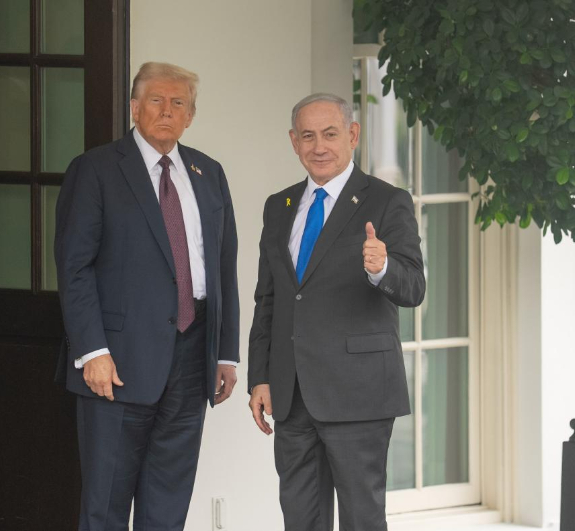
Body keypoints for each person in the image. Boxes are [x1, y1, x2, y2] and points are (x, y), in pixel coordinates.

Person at [54, 62, 239, 531]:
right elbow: (74, 268)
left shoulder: (208, 173)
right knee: (106, 507)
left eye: (179, 103)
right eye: (156, 100)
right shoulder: (95, 169)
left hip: (192, 358)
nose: (167, 110)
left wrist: (226, 354)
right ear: (135, 108)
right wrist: (91, 350)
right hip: (116, 363)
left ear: (190, 116)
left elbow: (223, 268)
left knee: (168, 506)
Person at [248, 93, 425, 530]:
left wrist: (382, 268)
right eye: (307, 136)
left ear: (353, 135)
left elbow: (414, 287)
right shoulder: (279, 206)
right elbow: (268, 299)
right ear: (294, 142)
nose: (319, 146)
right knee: (300, 521)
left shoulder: (387, 201)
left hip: (359, 395)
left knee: (362, 521)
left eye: (330, 134)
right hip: (292, 396)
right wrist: (261, 376)